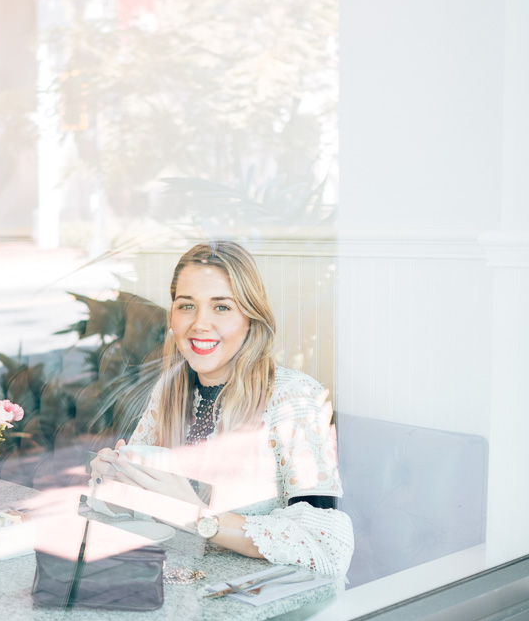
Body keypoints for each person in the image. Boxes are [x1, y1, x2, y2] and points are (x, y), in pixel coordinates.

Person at [90, 241, 354, 585]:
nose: (200, 323)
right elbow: (152, 502)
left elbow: (328, 546)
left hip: (256, 612)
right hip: (179, 592)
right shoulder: (170, 389)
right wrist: (113, 483)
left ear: (250, 316)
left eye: (221, 307)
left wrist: (200, 517)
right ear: (172, 316)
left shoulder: (293, 397)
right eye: (187, 305)